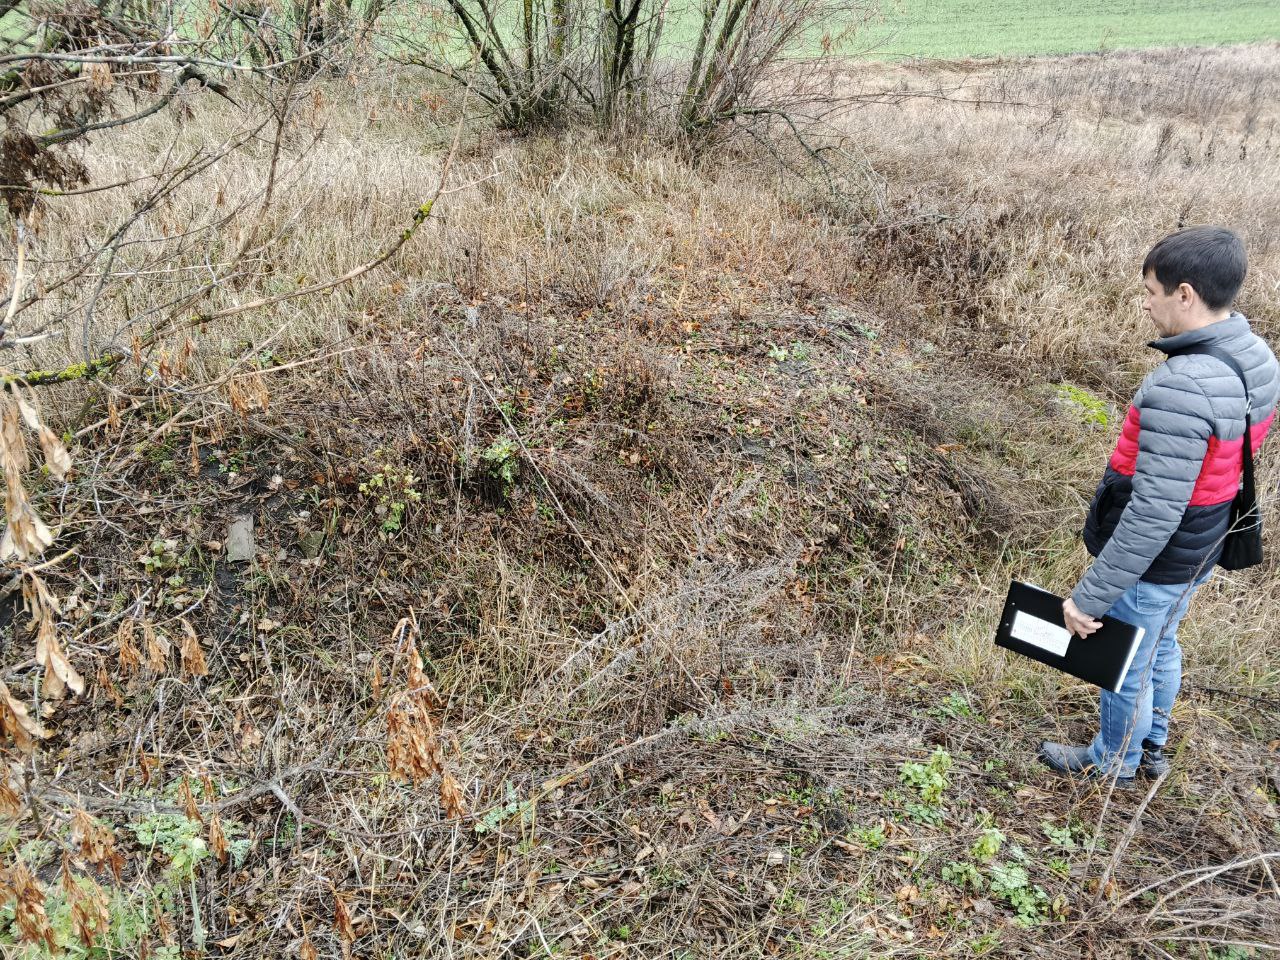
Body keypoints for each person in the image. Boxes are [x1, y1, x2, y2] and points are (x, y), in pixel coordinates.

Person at [1039, 226, 1279, 786]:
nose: (1145, 303)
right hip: (1205, 541)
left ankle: (1115, 760)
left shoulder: (1181, 387)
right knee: (1161, 641)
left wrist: (1087, 597)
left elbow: (1153, 514)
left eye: (1151, 290)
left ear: (1185, 294)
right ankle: (1151, 745)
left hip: (1162, 555)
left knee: (1126, 661)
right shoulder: (1258, 356)